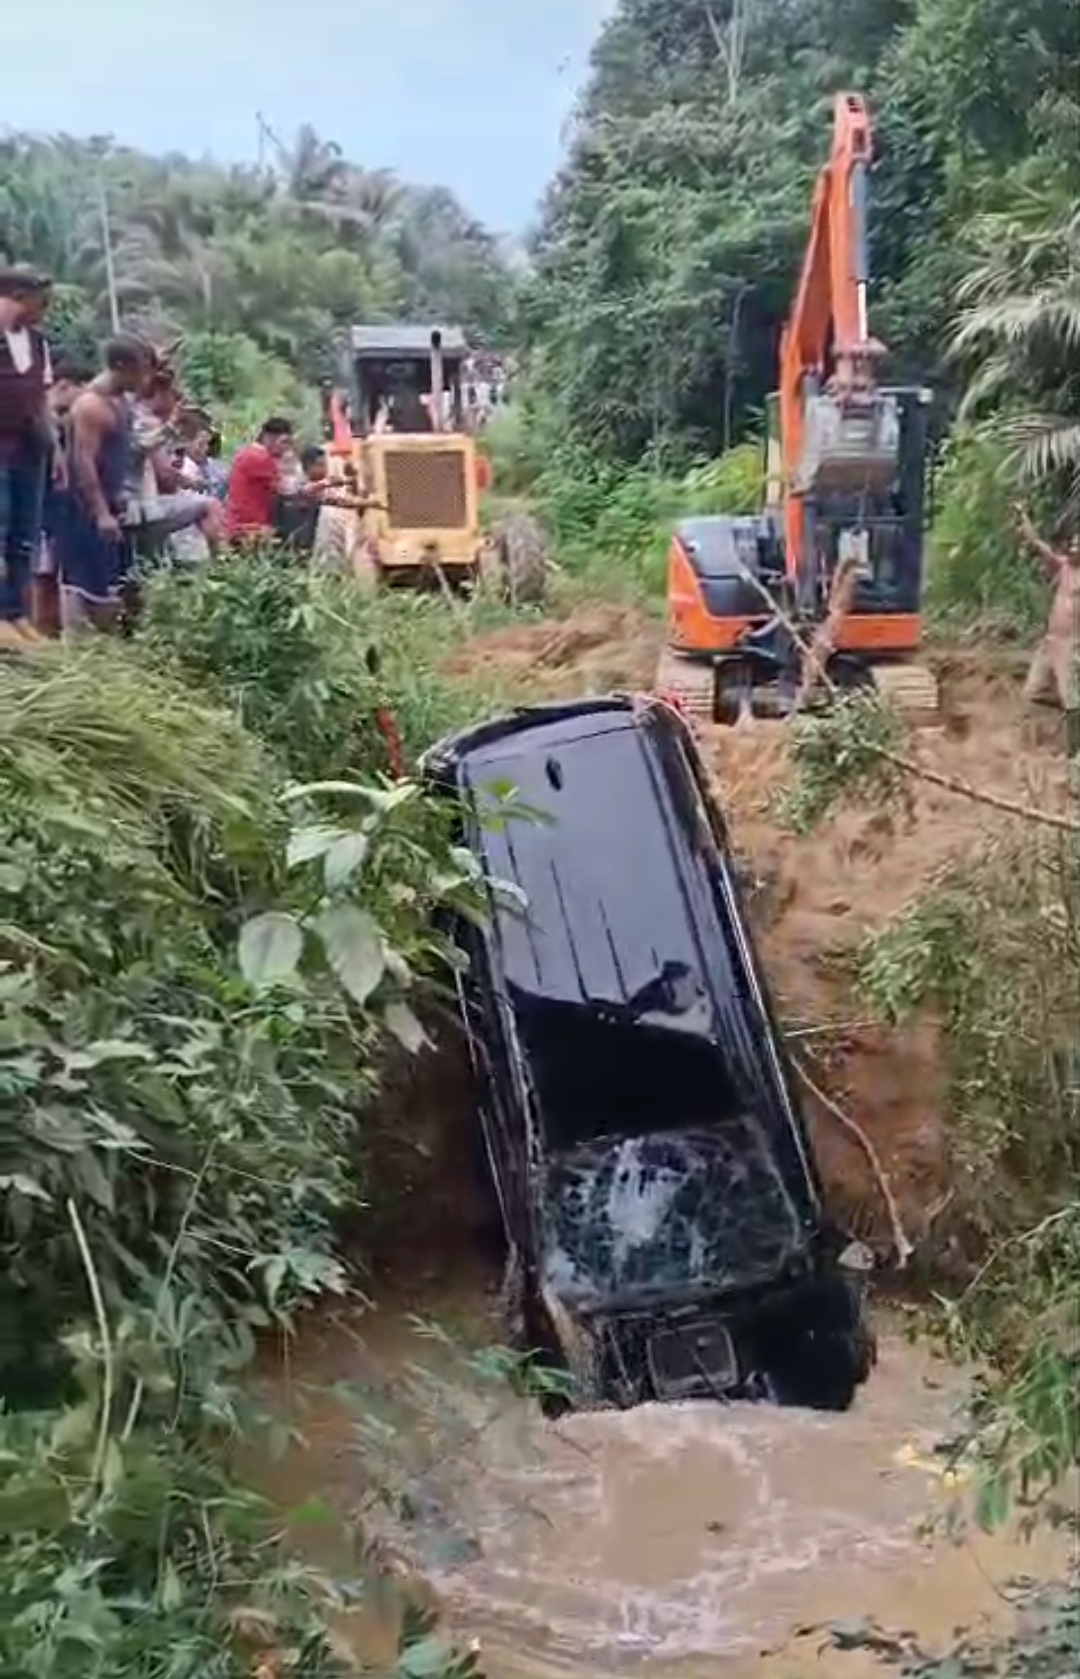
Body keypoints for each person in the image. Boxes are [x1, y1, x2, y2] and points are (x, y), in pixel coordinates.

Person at [55, 334, 153, 634]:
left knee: (114, 585)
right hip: (84, 509)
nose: (144, 379)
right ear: (121, 367)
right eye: (140, 371)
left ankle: (106, 643)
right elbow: (83, 462)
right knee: (85, 584)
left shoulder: (120, 400)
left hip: (113, 503)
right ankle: (79, 648)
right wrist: (100, 513)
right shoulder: (90, 406)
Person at [0, 266, 54, 647]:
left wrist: (56, 450)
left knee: (23, 536)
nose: (45, 311)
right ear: (17, 297)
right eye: (42, 302)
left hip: (29, 450)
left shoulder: (38, 343)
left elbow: (43, 400)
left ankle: (16, 613)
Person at [34, 354, 93, 635]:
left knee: (50, 575)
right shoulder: (40, 420)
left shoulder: (62, 422)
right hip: (40, 512)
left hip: (56, 512)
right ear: (65, 386)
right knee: (41, 577)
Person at [1016, 506, 1078, 742]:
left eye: (1078, 546)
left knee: (1072, 701)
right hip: (1050, 643)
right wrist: (1023, 517)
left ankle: (1074, 751)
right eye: (1072, 544)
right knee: (1032, 693)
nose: (1073, 549)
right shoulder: (1063, 567)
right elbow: (1037, 545)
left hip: (1071, 645)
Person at [224, 416, 295, 541]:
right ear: (268, 438)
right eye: (284, 442)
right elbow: (289, 490)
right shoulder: (260, 458)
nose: (286, 448)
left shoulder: (249, 453)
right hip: (248, 527)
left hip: (240, 522)